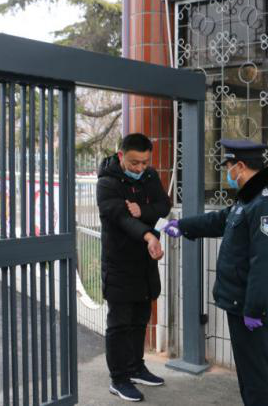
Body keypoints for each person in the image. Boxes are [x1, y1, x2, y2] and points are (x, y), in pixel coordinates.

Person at [163, 139, 268, 406]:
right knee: (250, 379)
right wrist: (183, 226)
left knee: (262, 383)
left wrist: (255, 309)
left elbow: (266, 263)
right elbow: (220, 220)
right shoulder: (249, 198)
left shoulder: (267, 204)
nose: (227, 173)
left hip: (254, 312)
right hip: (240, 305)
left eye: (228, 167)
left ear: (241, 166)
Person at [96, 133, 171, 402]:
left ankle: (136, 367)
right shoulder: (107, 183)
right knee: (119, 324)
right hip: (119, 263)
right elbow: (121, 218)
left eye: (145, 162)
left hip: (144, 262)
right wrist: (149, 235)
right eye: (134, 163)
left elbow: (164, 206)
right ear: (121, 156)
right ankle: (119, 379)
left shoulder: (149, 177)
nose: (140, 168)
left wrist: (142, 210)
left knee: (141, 317)